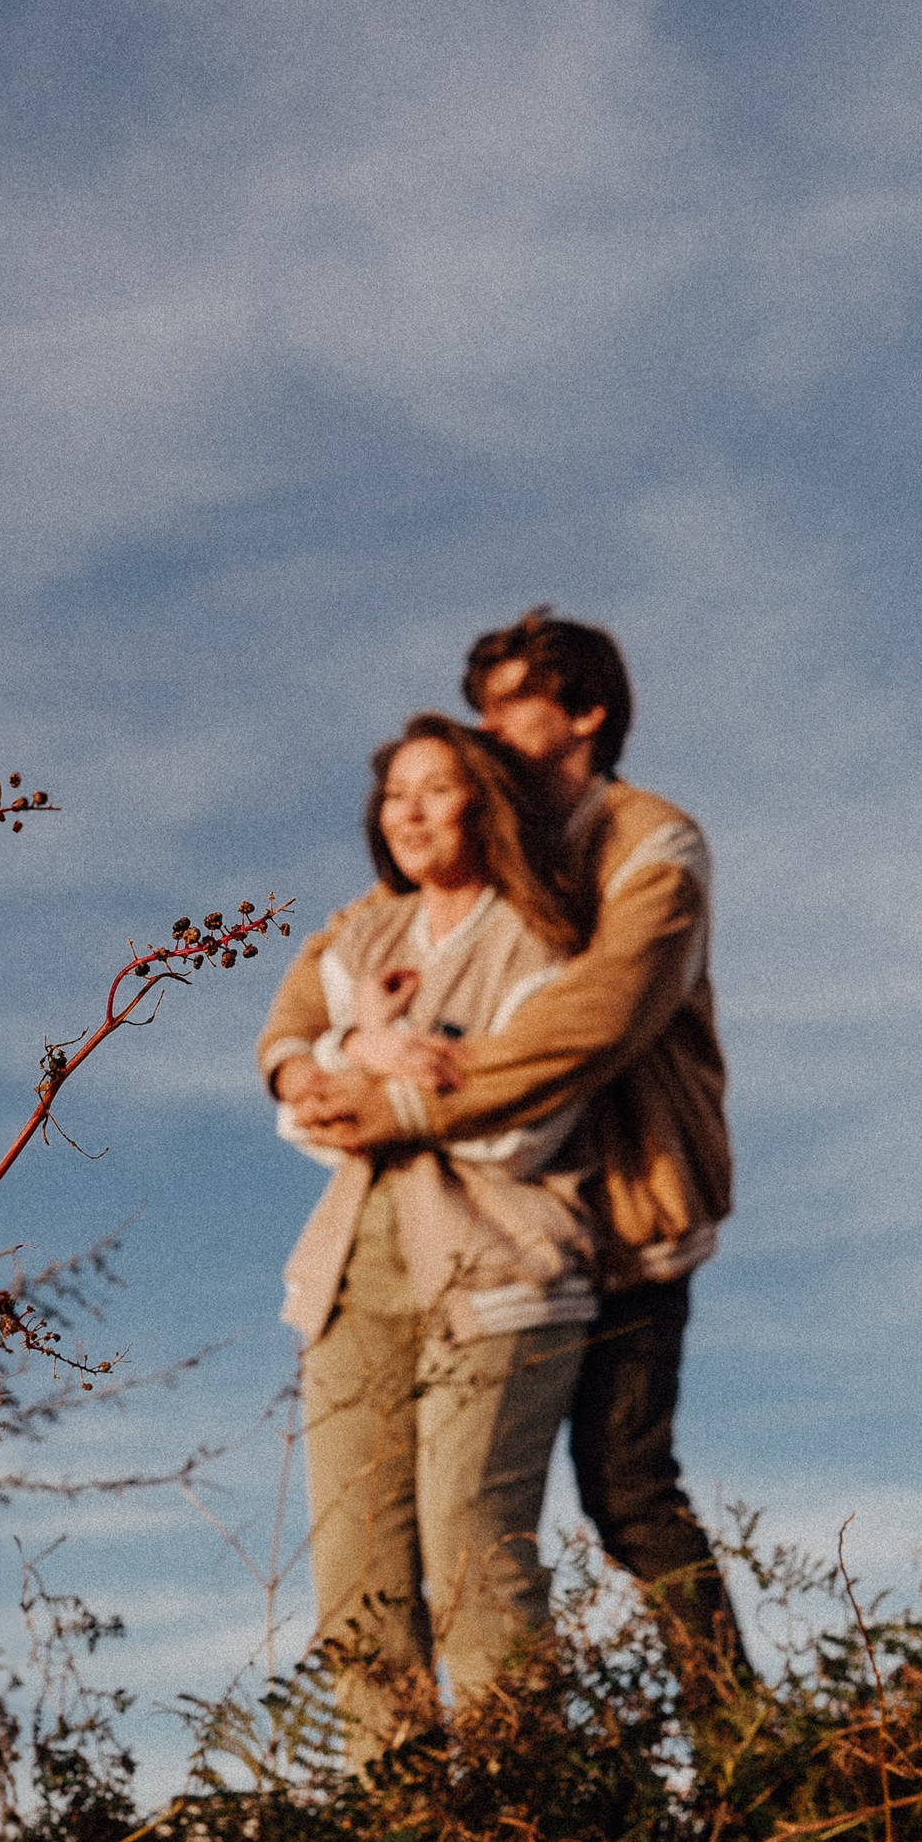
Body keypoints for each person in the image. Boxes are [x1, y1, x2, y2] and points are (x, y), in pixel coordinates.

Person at [286, 612, 751, 1712]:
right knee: (430, 1527)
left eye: (508, 706)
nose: (486, 729)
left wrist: (393, 1098)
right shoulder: (484, 848)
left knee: (625, 1491)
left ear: (583, 714)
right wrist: (309, 1055)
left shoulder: (649, 843)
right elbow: (328, 962)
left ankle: (742, 1746)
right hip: (492, 1220)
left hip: (627, 1219)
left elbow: (594, 1020)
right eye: (480, 706)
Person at [258, 716, 596, 1759]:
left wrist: (380, 1067)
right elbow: (297, 1103)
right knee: (354, 1577)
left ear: (482, 803)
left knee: (472, 1556)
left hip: (498, 1271)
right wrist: (362, 1048)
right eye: (392, 793)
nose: (406, 812)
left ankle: (526, 1829)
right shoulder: (362, 935)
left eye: (435, 789)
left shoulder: (537, 937)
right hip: (347, 1278)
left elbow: (520, 1124)